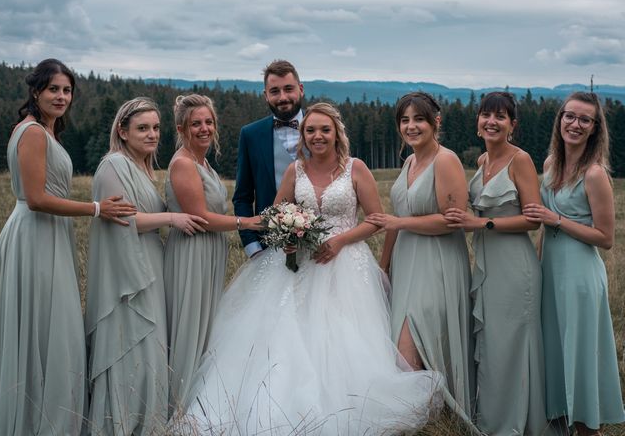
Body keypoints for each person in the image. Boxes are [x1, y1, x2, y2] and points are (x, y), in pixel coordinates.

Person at [177, 102, 442, 435]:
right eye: (311, 130)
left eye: (324, 130)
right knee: (287, 334)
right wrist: (286, 235)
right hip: (298, 264)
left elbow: (376, 220)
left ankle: (347, 405)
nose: (318, 136)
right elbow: (275, 214)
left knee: (342, 335)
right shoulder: (296, 170)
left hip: (346, 265)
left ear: (336, 133)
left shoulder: (355, 169)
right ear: (303, 135)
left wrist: (341, 241)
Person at [0, 59, 136, 435]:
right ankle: (34, 420)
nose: (61, 96)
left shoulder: (48, 132)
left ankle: (45, 416)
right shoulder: (33, 132)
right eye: (54, 89)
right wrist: (97, 208)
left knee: (51, 326)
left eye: (67, 90)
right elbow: (35, 198)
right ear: (36, 91)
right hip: (34, 235)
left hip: (49, 235)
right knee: (41, 325)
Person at [85, 97, 206, 435]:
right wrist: (172, 217)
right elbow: (124, 219)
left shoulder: (141, 168)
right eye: (142, 128)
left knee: (152, 351)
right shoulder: (113, 165)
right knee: (131, 348)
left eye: (155, 128)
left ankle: (149, 422)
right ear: (122, 131)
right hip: (126, 275)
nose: (152, 134)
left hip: (149, 263)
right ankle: (123, 423)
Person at [365, 92, 476, 427]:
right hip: (406, 261)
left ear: (435, 122)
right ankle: (427, 422)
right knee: (401, 348)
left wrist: (400, 223)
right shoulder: (409, 162)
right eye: (404, 120)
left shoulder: (446, 160)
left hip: (438, 262)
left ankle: (425, 420)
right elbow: (396, 221)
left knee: (413, 346)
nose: (411, 127)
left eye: (418, 119)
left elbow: (452, 220)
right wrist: (384, 266)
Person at [445, 91, 549, 435]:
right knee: (492, 345)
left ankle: (517, 423)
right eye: (486, 115)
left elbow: (533, 220)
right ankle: (490, 420)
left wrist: (481, 223)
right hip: (487, 267)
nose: (492, 121)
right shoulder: (481, 163)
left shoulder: (520, 160)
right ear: (478, 122)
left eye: (500, 117)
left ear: (512, 125)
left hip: (515, 267)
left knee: (513, 345)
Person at [523, 92, 625, 436]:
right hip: (551, 272)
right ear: (560, 119)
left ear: (595, 128)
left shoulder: (595, 174)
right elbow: (541, 228)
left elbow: (606, 238)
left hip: (580, 275)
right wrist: (537, 267)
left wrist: (555, 219)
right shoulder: (551, 163)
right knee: (555, 350)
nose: (575, 124)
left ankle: (588, 429)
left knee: (579, 355)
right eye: (570, 116)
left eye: (585, 120)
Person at [164, 94, 261, 414]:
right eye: (196, 124)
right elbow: (200, 218)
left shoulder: (202, 162)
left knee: (206, 324)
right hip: (192, 253)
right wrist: (246, 222)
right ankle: (179, 403)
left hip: (209, 253)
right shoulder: (182, 163)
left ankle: (195, 398)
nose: (204, 128)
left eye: (209, 122)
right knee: (191, 324)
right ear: (181, 128)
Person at [233, 59, 305, 258]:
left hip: (322, 250)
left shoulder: (324, 129)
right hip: (268, 248)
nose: (282, 97)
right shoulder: (251, 135)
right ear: (266, 96)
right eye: (275, 91)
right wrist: (252, 247)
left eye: (288, 89)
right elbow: (242, 197)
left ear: (300, 89)